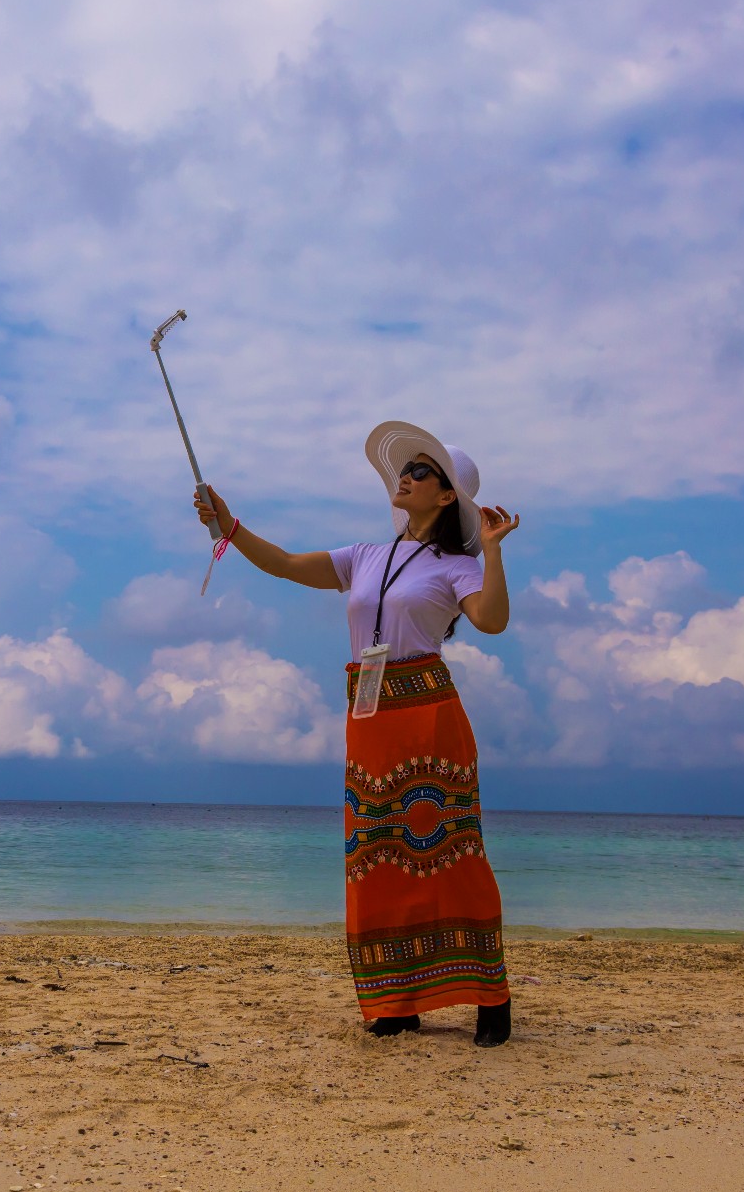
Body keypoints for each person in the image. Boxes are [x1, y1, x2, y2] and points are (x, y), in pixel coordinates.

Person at [193, 420, 520, 1047]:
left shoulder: (458, 567)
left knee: (451, 852)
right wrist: (227, 526)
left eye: (421, 472)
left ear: (447, 496)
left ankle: (489, 995)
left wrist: (496, 551)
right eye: (408, 469)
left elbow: (493, 622)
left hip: (429, 713)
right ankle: (395, 1001)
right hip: (368, 718)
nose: (406, 477)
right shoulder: (366, 557)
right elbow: (285, 564)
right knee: (375, 858)